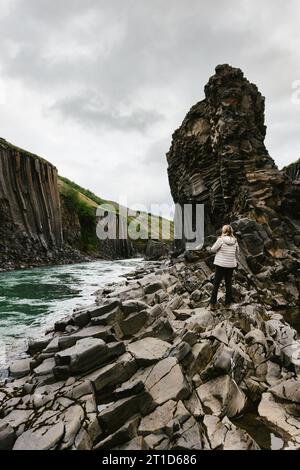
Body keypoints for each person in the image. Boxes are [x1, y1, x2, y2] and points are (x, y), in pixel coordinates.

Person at [208, 224, 239, 310]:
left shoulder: (220, 240)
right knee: (228, 283)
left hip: (220, 264)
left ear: (223, 231)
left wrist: (210, 249)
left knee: (216, 284)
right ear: (231, 231)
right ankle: (228, 304)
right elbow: (237, 253)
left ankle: (212, 304)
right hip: (230, 265)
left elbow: (213, 250)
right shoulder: (235, 241)